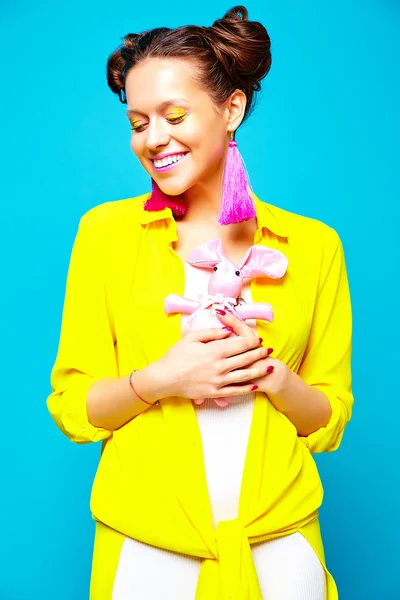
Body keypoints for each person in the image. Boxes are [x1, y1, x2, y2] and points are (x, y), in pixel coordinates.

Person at [47, 5, 353, 600]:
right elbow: (73, 405)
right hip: (147, 551)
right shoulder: (106, 236)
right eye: (138, 123)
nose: (153, 139)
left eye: (174, 114)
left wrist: (267, 373)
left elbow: (329, 418)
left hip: (281, 549)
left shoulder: (314, 247)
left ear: (231, 109)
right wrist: (162, 379)